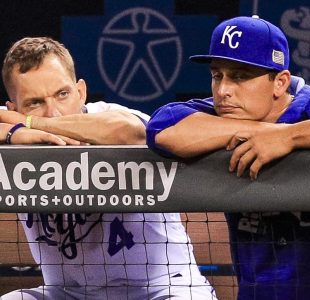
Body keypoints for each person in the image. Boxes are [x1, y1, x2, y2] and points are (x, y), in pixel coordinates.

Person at [146, 16, 310, 299]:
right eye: (217, 75)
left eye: (240, 76)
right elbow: (162, 126)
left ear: (280, 82)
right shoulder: (220, 116)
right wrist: (267, 132)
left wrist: (289, 137)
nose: (224, 90)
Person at [0, 37, 216, 300]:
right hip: (68, 293)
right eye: (34, 102)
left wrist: (31, 123)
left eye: (62, 94)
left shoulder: (109, 118)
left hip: (163, 288)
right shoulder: (12, 131)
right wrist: (14, 135)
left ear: (81, 91)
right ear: (12, 108)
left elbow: (132, 132)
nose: (54, 112)